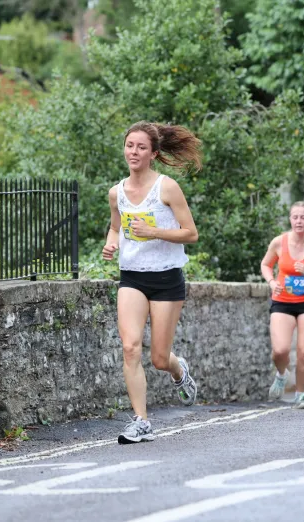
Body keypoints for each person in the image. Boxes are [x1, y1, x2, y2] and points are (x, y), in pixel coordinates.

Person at [102, 121, 201, 444]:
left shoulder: (167, 188)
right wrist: (111, 242)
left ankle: (178, 370)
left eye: (141, 147)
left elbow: (191, 233)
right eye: (130, 145)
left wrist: (154, 231)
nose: (134, 152)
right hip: (132, 277)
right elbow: (116, 227)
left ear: (153, 153)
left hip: (166, 278)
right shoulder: (117, 192)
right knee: (130, 347)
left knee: (159, 358)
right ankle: (141, 421)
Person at [261, 201, 304, 409]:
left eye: (303, 217)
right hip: (283, 302)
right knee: (280, 351)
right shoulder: (279, 243)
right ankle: (282, 374)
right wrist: (272, 283)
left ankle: (300, 394)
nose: (298, 221)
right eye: (295, 217)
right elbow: (266, 265)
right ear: (290, 219)